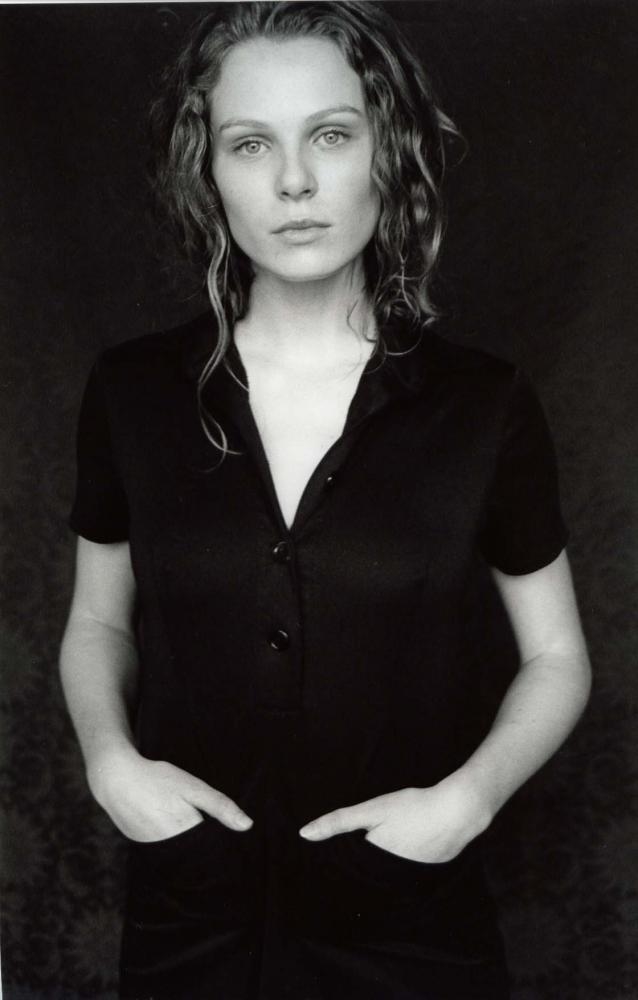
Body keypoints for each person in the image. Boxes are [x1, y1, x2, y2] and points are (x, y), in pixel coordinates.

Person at [59, 3, 592, 998]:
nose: (294, 181)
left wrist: (467, 803)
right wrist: (109, 761)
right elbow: (97, 620)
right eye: (250, 143)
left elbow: (557, 656)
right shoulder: (132, 392)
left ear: (386, 152)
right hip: (190, 924)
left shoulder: (483, 404)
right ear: (207, 170)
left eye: (331, 135)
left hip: (409, 927)